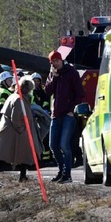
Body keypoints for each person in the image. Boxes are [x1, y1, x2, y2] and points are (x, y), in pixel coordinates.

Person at [0, 76, 42, 190]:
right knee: (7, 157)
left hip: (9, 132)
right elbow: (15, 118)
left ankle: (21, 177)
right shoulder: (19, 99)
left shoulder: (15, 97)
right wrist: (22, 129)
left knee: (19, 155)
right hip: (13, 133)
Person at [45, 50, 85, 183]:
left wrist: (72, 110)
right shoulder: (53, 74)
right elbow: (48, 91)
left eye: (56, 61)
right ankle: (62, 171)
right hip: (55, 115)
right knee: (53, 145)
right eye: (52, 62)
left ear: (61, 60)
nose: (55, 63)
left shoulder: (72, 73)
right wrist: (54, 77)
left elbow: (80, 93)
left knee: (64, 144)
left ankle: (67, 174)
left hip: (68, 114)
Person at [31, 72, 53, 166]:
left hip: (43, 116)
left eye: (37, 81)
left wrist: (45, 110)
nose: (36, 83)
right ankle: (38, 159)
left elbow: (46, 101)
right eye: (34, 81)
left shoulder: (43, 92)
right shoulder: (31, 92)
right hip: (34, 117)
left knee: (46, 138)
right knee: (36, 138)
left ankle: (47, 159)